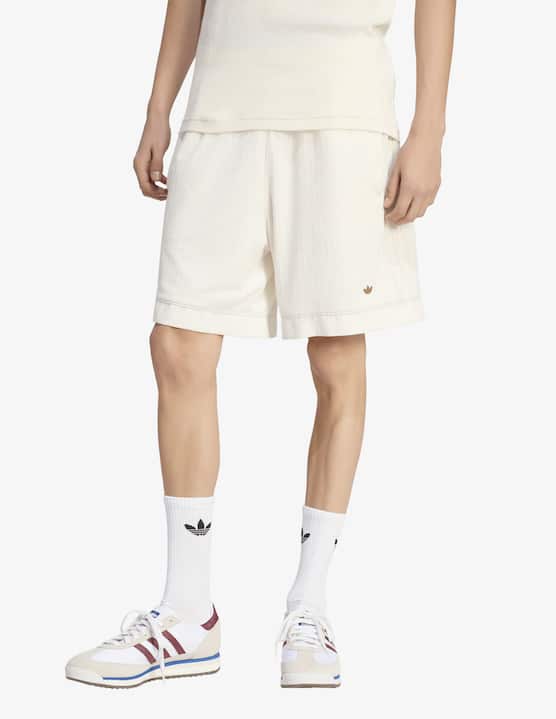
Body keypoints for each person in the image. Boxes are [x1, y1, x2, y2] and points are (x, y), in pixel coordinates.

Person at [66, 0, 456, 689]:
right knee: (178, 343)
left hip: (343, 110)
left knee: (336, 354)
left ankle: (309, 606)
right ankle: (189, 613)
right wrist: (158, 106)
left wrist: (431, 127)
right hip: (221, 109)